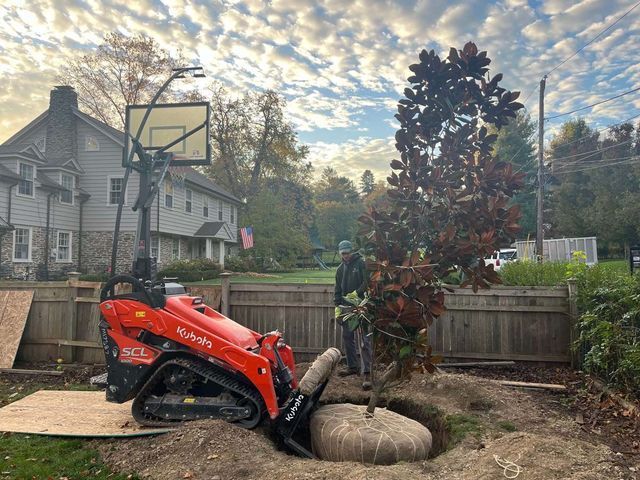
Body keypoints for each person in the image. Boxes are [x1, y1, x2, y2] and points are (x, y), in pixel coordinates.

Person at [334, 240, 372, 391]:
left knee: (364, 339)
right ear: (340, 254)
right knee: (347, 336)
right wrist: (337, 307)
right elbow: (337, 290)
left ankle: (367, 372)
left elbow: (367, 282)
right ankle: (352, 366)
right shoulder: (339, 270)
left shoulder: (361, 263)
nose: (346, 256)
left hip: (362, 305)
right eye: (343, 253)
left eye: (348, 253)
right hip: (347, 307)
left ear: (351, 251)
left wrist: (357, 293)